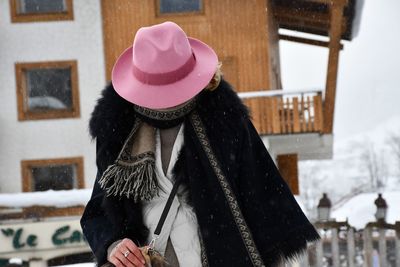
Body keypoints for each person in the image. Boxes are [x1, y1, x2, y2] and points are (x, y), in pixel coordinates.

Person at [80, 21, 320, 267]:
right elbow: (99, 211)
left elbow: (261, 197)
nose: (168, 98)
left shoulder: (225, 120)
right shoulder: (116, 129)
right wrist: (113, 245)